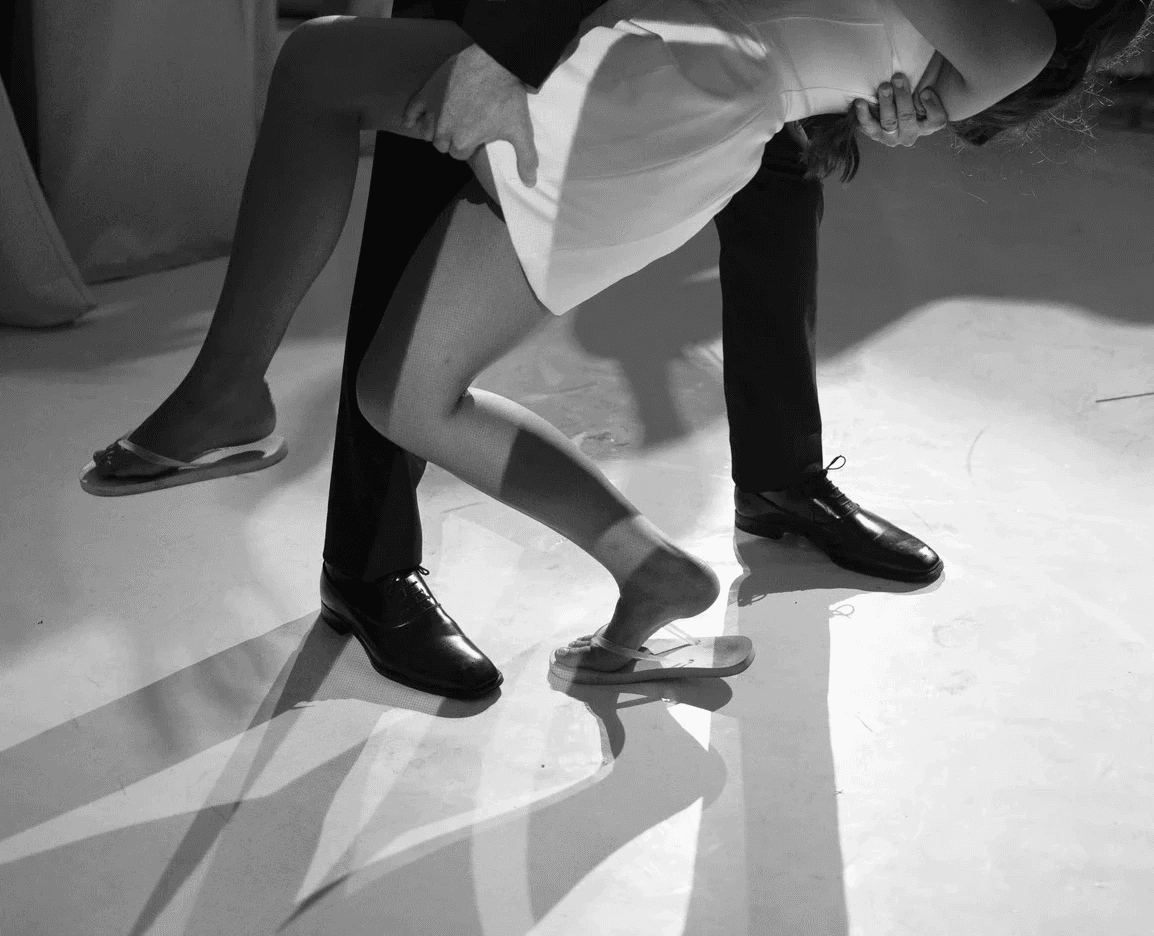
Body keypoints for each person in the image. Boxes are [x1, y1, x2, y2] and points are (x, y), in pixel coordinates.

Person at [80, 0, 1150, 692]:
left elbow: (958, 81)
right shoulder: (991, 38)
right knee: (400, 390)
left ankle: (229, 396)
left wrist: (920, 107)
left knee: (322, 80)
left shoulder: (1008, 32)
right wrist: (921, 106)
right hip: (668, 80)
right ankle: (649, 569)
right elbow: (934, 91)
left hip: (655, 93)